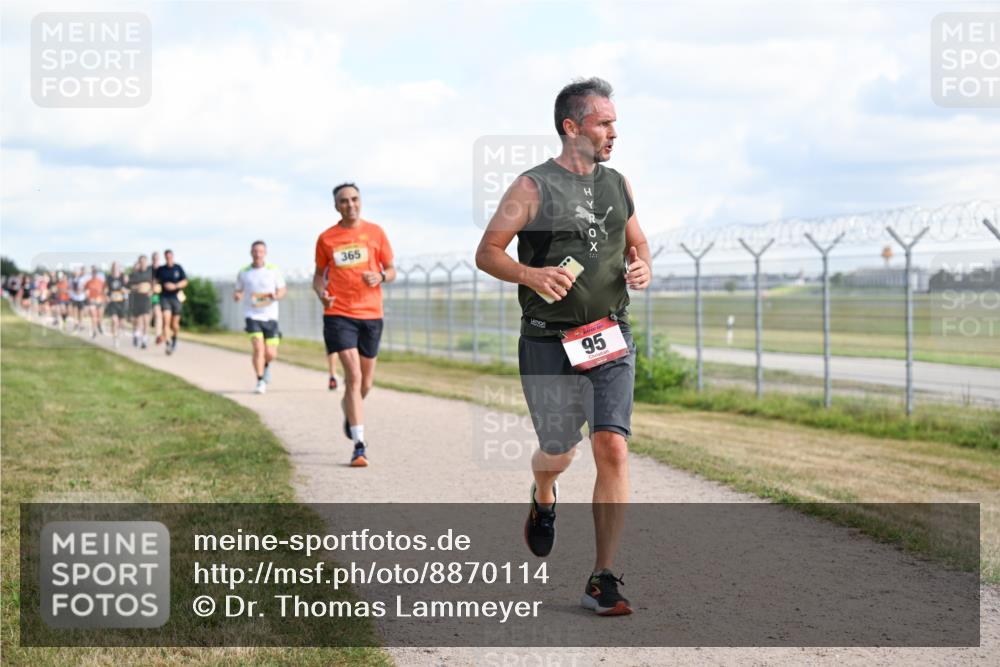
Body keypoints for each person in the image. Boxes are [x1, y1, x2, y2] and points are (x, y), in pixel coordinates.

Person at [474, 77, 651, 616]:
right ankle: (543, 494)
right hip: (549, 341)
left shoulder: (618, 183)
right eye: (603, 123)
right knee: (560, 452)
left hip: (608, 334)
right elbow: (487, 252)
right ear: (571, 127)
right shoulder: (532, 187)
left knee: (612, 447)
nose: (613, 132)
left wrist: (642, 264)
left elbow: (637, 241)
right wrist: (530, 274)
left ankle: (602, 577)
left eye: (614, 122)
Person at [313, 182, 396, 467]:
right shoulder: (327, 238)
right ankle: (359, 445)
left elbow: (392, 269)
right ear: (336, 206)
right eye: (343, 201)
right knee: (354, 376)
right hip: (339, 313)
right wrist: (321, 293)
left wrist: (381, 277)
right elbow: (318, 276)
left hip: (371, 314)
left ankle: (349, 408)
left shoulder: (376, 233)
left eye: (354, 199)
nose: (350, 204)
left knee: (366, 382)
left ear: (361, 201)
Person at [234, 240, 287, 394]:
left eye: (261, 251)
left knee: (270, 353)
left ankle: (266, 366)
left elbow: (283, 290)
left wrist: (276, 295)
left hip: (270, 316)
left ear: (265, 253)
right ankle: (259, 380)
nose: (258, 254)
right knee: (258, 347)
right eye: (255, 251)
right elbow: (238, 290)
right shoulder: (244, 271)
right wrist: (237, 295)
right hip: (252, 315)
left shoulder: (273, 270)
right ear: (251, 253)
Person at [155, 249, 188, 355]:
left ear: (172, 256)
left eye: (170, 256)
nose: (168, 258)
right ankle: (168, 344)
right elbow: (155, 281)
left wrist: (175, 286)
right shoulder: (161, 269)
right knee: (166, 320)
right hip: (165, 297)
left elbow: (185, 281)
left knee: (175, 325)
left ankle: (174, 338)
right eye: (167, 257)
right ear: (165, 257)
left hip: (176, 298)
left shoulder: (178, 268)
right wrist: (155, 288)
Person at [129, 255, 154, 348]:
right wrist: (137, 287)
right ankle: (136, 334)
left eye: (144, 261)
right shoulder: (135, 274)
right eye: (141, 262)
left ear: (146, 262)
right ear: (139, 262)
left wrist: (151, 291)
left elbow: (153, 284)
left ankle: (144, 339)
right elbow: (130, 286)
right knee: (137, 320)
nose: (143, 263)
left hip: (146, 298)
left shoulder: (150, 272)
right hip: (137, 298)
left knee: (146, 319)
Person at [104, 262, 128, 348]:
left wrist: (124, 290)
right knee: (114, 321)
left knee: (121, 323)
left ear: (119, 268)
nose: (115, 269)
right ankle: (115, 339)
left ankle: (119, 332)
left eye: (116, 267)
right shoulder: (109, 278)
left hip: (121, 303)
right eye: (113, 267)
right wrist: (106, 296)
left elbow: (127, 288)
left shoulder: (123, 277)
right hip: (112, 302)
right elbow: (106, 289)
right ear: (112, 268)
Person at [84, 266, 106, 338]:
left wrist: (103, 298)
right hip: (92, 301)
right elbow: (85, 291)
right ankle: (94, 331)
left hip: (100, 300)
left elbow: (105, 291)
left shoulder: (101, 282)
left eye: (95, 273)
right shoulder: (88, 282)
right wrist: (87, 296)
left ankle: (99, 325)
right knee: (93, 317)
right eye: (93, 273)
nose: (94, 274)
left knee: (99, 317)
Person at [150, 251, 164, 345]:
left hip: (159, 295)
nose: (155, 260)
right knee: (150, 315)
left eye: (157, 258)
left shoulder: (162, 269)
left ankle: (158, 335)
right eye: (154, 258)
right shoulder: (149, 269)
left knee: (158, 314)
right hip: (149, 295)